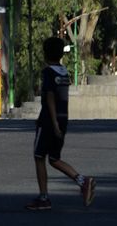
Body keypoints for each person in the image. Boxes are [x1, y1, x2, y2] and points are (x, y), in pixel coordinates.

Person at [26, 36, 95, 211]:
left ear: (45, 54)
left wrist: (53, 123)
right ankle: (83, 181)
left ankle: (44, 198)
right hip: (63, 118)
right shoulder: (64, 72)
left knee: (39, 156)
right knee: (54, 158)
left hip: (49, 121)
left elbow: (50, 97)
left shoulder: (48, 72)